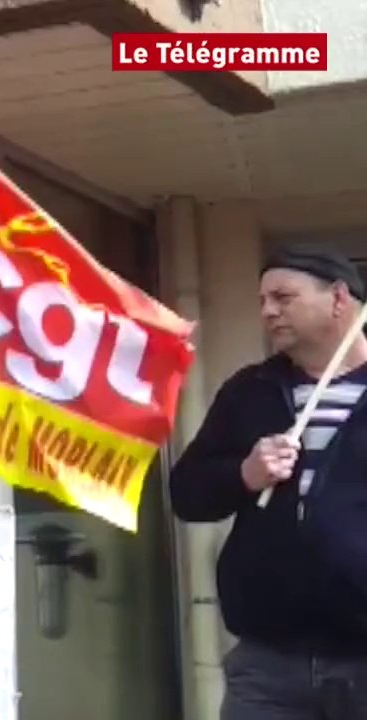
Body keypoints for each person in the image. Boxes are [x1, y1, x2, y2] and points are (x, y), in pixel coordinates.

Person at [170, 245, 367, 720]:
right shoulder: (250, 390)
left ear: (339, 298)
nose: (268, 312)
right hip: (268, 661)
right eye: (262, 301)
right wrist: (244, 474)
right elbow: (187, 493)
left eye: (283, 297)